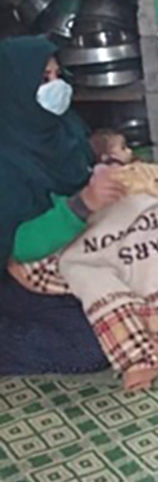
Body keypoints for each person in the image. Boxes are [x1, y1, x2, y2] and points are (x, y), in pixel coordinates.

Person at [0, 36, 125, 375]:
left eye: (58, 75)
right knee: (91, 346)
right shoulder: (6, 159)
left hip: (63, 255)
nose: (56, 87)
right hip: (13, 273)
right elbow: (17, 246)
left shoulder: (61, 127)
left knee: (134, 299)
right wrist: (82, 205)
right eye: (43, 80)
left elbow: (80, 170)